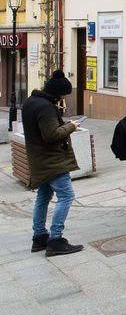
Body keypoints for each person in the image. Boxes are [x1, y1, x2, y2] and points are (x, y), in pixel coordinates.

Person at [25, 71, 85, 256]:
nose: (63, 99)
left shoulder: (30, 102)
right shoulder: (46, 107)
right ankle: (55, 240)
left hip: (38, 160)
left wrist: (63, 123)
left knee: (43, 196)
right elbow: (51, 135)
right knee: (66, 196)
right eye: (63, 95)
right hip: (52, 161)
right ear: (57, 93)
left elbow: (43, 128)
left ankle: (39, 237)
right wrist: (71, 127)